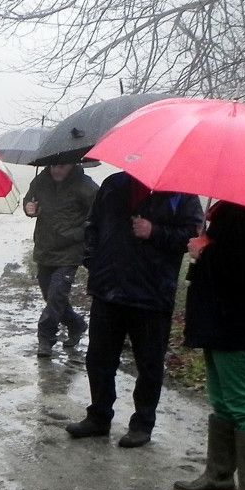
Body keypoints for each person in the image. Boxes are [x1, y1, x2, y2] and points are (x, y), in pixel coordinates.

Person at [65, 171, 203, 447]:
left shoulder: (181, 193)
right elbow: (92, 225)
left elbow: (191, 235)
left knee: (149, 363)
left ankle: (142, 423)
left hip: (152, 293)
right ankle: (99, 416)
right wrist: (94, 260)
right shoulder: (114, 184)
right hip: (108, 288)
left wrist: (155, 231)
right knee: (98, 359)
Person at [174, 200, 245, 490]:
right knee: (223, 402)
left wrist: (204, 251)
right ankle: (218, 477)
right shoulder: (228, 211)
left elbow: (244, 273)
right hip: (218, 324)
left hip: (239, 326)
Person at [22, 163, 98, 357]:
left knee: (56, 296)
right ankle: (77, 324)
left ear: (73, 165)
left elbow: (99, 214)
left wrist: (79, 234)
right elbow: (29, 201)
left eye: (62, 167)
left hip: (69, 252)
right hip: (44, 248)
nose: (57, 170)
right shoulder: (40, 181)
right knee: (52, 298)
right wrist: (29, 208)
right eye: (54, 166)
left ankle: (45, 339)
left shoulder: (85, 185)